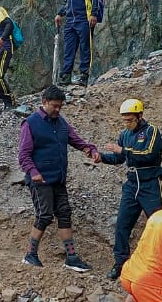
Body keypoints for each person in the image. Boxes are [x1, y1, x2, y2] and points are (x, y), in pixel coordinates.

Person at [17, 84, 101, 271]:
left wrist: (90, 149)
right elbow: (23, 154)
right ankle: (30, 254)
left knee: (64, 213)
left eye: (60, 106)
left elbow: (77, 141)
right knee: (44, 215)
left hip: (58, 179)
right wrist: (33, 172)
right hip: (40, 180)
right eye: (54, 106)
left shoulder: (61, 123)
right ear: (44, 102)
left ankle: (71, 258)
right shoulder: (30, 123)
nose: (57, 109)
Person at [100, 98, 162, 279]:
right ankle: (121, 263)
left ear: (140, 116)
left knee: (156, 225)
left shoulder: (151, 131)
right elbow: (118, 159)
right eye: (125, 120)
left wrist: (122, 151)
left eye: (130, 120)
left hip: (150, 182)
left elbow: (148, 154)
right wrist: (101, 157)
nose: (127, 123)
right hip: (131, 185)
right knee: (122, 224)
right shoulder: (125, 134)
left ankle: (159, 265)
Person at [54, 0, 105, 87]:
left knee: (85, 48)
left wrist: (93, 14)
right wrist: (60, 14)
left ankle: (84, 75)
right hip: (70, 21)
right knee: (69, 48)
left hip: (85, 19)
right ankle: (66, 76)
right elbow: (67, 1)